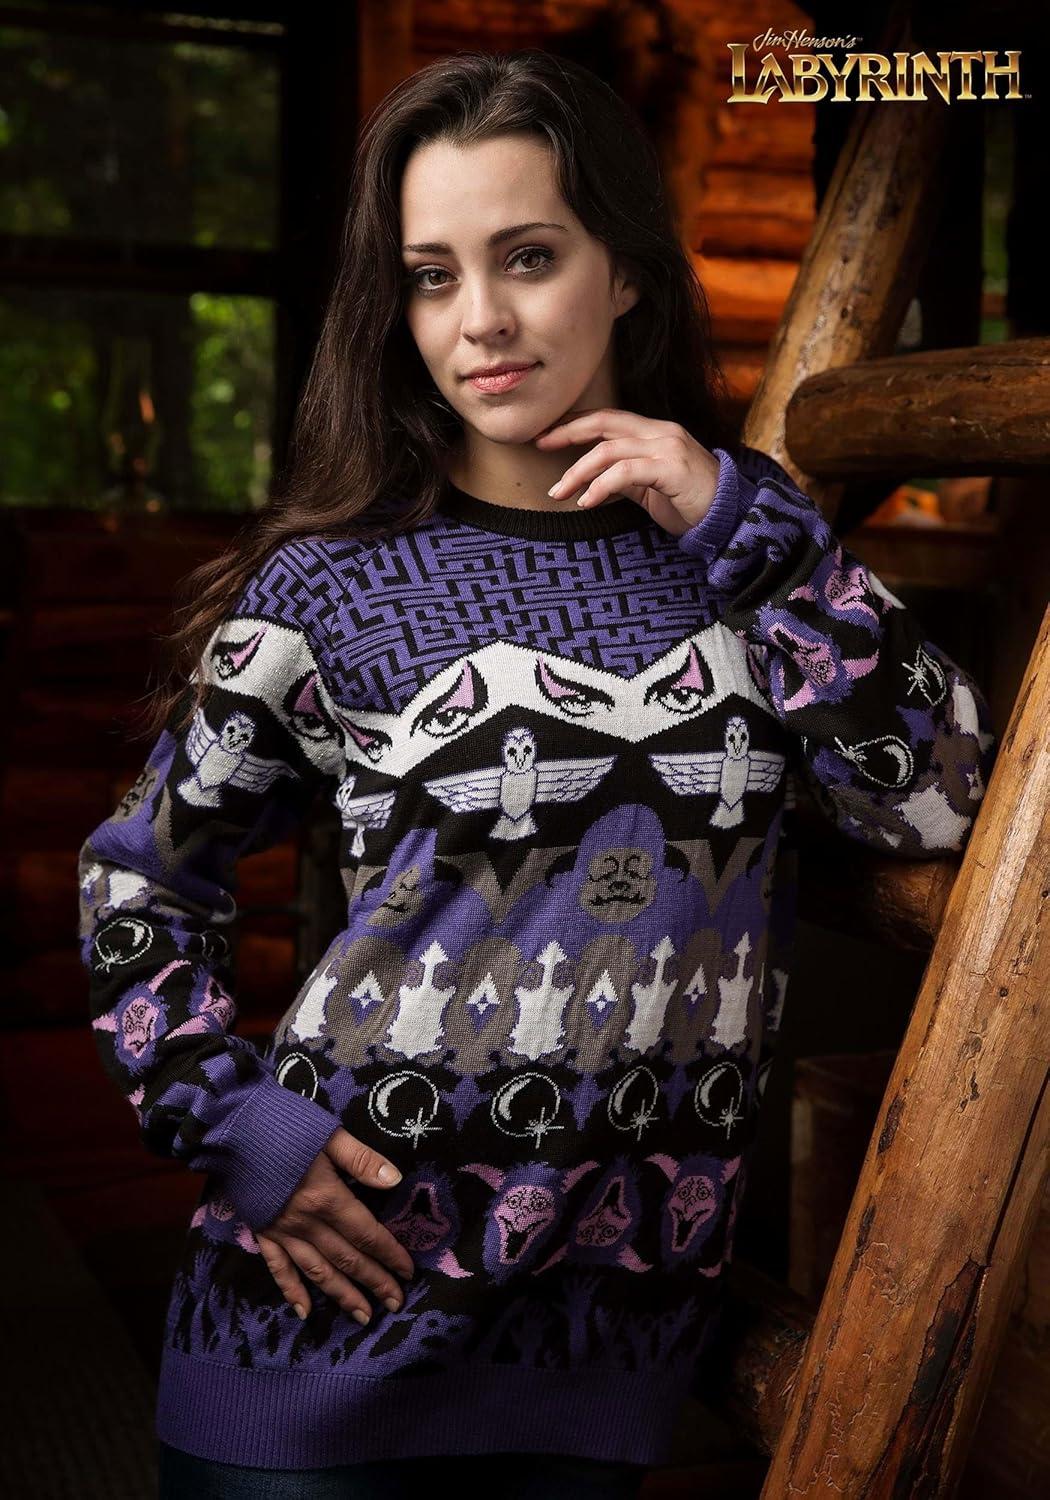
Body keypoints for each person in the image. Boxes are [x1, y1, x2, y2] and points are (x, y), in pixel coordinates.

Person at [76, 48, 998, 1500]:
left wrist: (742, 529)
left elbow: (944, 795)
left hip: (606, 1358)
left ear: (623, 271)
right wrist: (243, 1127)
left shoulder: (744, 553)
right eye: (430, 278)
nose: (480, 322)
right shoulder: (333, 585)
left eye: (527, 257)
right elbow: (139, 883)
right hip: (319, 1324)